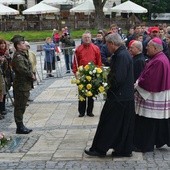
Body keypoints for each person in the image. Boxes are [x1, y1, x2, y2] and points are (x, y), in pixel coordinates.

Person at [84, 33, 135, 157]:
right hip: (123, 96)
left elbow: (119, 78)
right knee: (120, 125)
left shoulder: (121, 56)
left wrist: (106, 83)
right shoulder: (121, 54)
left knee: (109, 123)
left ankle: (100, 149)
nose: (106, 46)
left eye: (107, 44)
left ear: (112, 44)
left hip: (119, 97)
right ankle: (122, 149)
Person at [134, 37, 170, 152]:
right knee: (153, 122)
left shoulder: (159, 61)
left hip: (154, 95)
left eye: (148, 46)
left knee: (149, 121)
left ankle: (145, 145)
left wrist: (137, 83)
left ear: (155, 48)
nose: (146, 48)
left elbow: (150, 81)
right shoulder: (158, 58)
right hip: (157, 93)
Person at [72, 32, 102, 117]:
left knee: (91, 93)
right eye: (85, 37)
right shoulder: (78, 49)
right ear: (82, 38)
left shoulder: (96, 48)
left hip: (92, 73)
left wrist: (98, 71)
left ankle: (90, 111)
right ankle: (81, 111)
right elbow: (75, 62)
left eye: (88, 37)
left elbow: (99, 61)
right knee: (82, 93)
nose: (87, 39)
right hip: (81, 74)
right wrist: (75, 72)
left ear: (91, 38)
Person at [11, 35, 36, 134]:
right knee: (19, 106)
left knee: (22, 106)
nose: (25, 44)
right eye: (22, 43)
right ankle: (19, 126)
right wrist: (31, 75)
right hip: (21, 85)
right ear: (18, 46)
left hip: (24, 84)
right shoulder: (18, 56)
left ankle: (21, 125)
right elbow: (22, 69)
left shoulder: (22, 54)